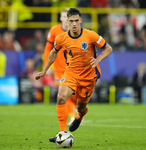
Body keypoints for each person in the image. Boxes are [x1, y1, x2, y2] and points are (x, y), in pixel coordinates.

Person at [34, 8, 113, 142]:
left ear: (81, 20)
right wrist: (45, 70)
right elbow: (53, 53)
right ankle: (62, 132)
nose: (74, 23)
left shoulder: (90, 35)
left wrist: (98, 59)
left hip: (88, 77)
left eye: (77, 20)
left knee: (81, 107)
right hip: (71, 73)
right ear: (67, 21)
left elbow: (108, 48)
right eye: (71, 21)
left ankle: (80, 116)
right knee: (61, 97)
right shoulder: (61, 38)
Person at [43, 8, 77, 126]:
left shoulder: (76, 31)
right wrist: (46, 66)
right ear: (60, 18)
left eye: (66, 17)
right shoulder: (54, 30)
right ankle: (73, 116)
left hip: (73, 68)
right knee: (63, 94)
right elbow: (48, 49)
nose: (64, 19)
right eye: (63, 16)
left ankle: (78, 111)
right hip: (58, 68)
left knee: (73, 94)